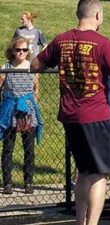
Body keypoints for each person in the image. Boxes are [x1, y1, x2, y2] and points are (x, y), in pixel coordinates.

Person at [30, 1, 110, 225]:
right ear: (98, 15)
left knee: (83, 171)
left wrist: (50, 53)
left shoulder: (61, 40)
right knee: (100, 175)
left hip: (70, 116)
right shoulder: (102, 43)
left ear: (78, 14)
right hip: (96, 116)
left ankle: (80, 222)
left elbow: (35, 65)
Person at [0, 36, 43, 195]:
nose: (21, 53)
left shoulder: (32, 67)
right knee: (8, 148)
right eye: (18, 50)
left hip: (27, 111)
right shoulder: (6, 67)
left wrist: (32, 104)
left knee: (29, 149)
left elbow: (36, 89)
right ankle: (7, 183)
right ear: (13, 50)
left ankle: (28, 182)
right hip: (10, 109)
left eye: (25, 50)